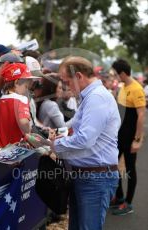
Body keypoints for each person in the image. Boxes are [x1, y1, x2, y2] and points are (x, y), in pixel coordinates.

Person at [37, 56, 121, 230]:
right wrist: (60, 136)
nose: (66, 87)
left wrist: (55, 145)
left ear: (79, 77)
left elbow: (85, 139)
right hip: (88, 176)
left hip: (95, 178)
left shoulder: (97, 97)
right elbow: (73, 128)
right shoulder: (92, 96)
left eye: (67, 82)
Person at [111, 59, 146, 215]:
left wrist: (138, 139)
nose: (114, 77)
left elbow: (141, 116)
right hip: (119, 135)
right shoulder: (123, 87)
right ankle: (119, 197)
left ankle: (128, 203)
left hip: (130, 136)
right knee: (112, 165)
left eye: (116, 74)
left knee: (130, 169)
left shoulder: (137, 89)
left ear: (123, 73)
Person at [0, 63, 40, 148]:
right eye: (27, 85)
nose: (28, 88)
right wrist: (28, 130)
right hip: (13, 153)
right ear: (16, 83)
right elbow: (23, 122)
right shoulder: (21, 99)